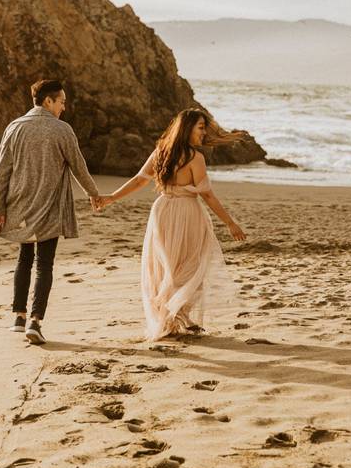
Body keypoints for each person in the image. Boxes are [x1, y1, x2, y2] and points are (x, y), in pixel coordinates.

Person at [0, 79, 102, 344]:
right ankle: (35, 321)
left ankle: (19, 317)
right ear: (48, 101)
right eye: (62, 102)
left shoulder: (15, 127)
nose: (64, 107)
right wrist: (94, 194)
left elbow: (1, 172)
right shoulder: (62, 130)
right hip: (49, 207)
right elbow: (79, 167)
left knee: (24, 258)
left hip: (19, 205)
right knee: (45, 264)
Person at [100, 109, 247, 341]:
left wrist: (111, 197)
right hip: (187, 212)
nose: (203, 132)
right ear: (187, 128)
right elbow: (207, 195)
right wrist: (230, 223)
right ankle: (176, 315)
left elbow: (139, 180)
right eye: (200, 127)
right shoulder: (195, 158)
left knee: (169, 265)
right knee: (192, 264)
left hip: (162, 211)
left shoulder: (161, 151)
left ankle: (176, 317)